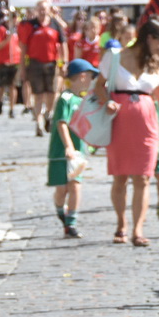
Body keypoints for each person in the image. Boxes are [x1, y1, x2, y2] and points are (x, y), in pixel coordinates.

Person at [93, 18, 159, 248]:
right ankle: (121, 223)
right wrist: (107, 102)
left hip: (147, 125)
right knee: (120, 176)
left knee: (143, 177)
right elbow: (98, 86)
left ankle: (138, 229)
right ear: (149, 38)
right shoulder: (115, 57)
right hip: (119, 122)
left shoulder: (156, 64)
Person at [49, 58, 96, 239]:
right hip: (61, 151)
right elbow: (62, 123)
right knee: (62, 189)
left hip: (78, 152)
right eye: (91, 76)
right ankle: (61, 210)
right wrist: (68, 146)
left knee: (75, 185)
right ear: (82, 77)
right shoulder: (65, 99)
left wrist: (89, 144)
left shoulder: (82, 100)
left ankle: (71, 224)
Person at [19, 0, 68, 135]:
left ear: (49, 10)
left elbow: (63, 44)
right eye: (40, 9)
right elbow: (23, 48)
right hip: (35, 63)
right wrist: (22, 68)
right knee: (38, 94)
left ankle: (48, 113)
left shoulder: (55, 24)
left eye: (44, 9)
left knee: (52, 92)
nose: (42, 11)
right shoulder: (31, 25)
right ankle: (38, 122)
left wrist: (64, 62)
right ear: (36, 10)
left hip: (52, 63)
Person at [0, 10, 22, 119]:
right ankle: (0, 101)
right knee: (1, 85)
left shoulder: (18, 30)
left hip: (15, 60)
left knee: (13, 85)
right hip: (3, 60)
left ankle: (12, 108)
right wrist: (7, 39)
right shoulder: (1, 30)